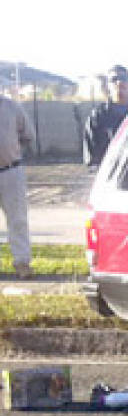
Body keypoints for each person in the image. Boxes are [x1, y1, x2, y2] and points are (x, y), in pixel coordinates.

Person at [0, 88, 34, 278]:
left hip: (11, 171)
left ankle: (22, 263)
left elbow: (27, 135)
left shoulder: (13, 108)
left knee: (18, 220)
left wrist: (10, 152)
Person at [83, 65, 128, 169]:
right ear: (108, 85)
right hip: (112, 177)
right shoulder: (97, 116)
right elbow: (92, 159)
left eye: (123, 78)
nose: (119, 82)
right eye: (114, 79)